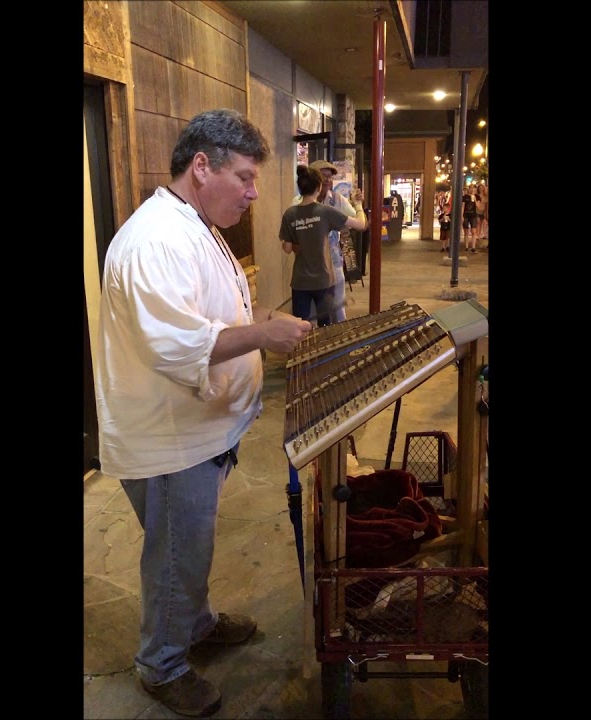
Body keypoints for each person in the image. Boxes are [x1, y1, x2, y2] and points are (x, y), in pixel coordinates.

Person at [94, 109, 313, 718]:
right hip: (169, 439)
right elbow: (176, 344)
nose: (252, 192)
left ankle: (195, 624)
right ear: (201, 166)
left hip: (199, 431)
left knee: (188, 546)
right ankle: (161, 665)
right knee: (175, 554)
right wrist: (265, 334)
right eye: (244, 177)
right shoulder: (156, 238)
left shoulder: (193, 222)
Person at [281, 165, 367, 326]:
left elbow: (286, 248)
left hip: (300, 279)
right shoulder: (325, 212)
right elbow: (361, 224)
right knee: (325, 324)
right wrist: (358, 205)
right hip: (323, 278)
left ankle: (304, 350)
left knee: (301, 323)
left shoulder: (290, 213)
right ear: (318, 185)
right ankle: (325, 349)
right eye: (324, 176)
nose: (328, 179)